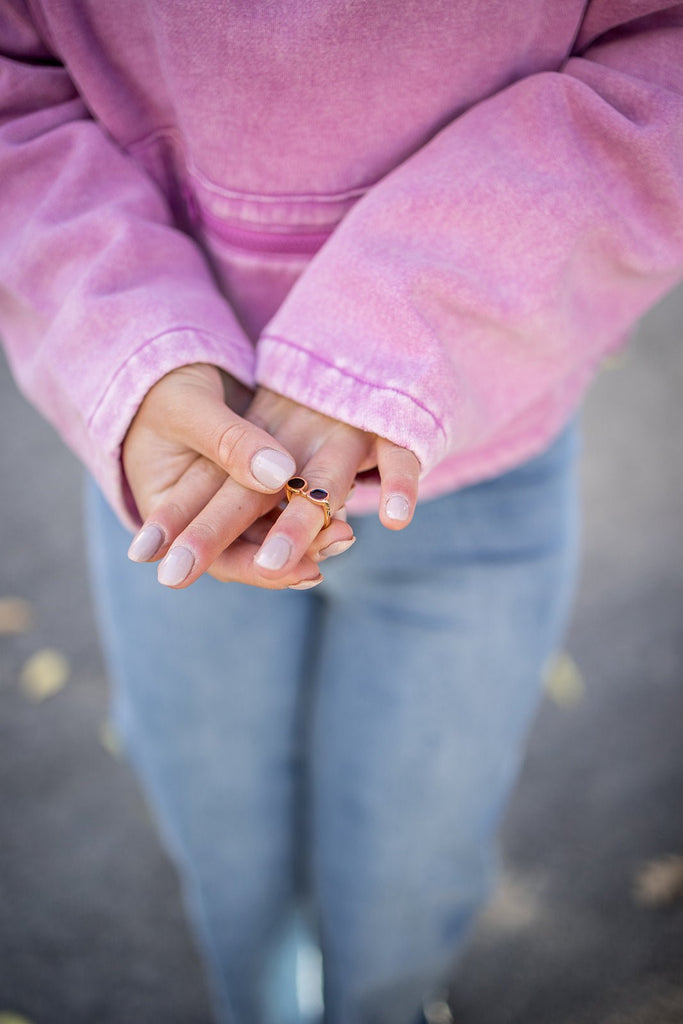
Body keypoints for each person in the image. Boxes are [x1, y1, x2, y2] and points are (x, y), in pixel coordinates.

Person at [1, 3, 682, 1023]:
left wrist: (392, 328)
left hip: (477, 467)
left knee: (409, 881)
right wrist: (130, 353)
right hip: (181, 463)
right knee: (224, 857)